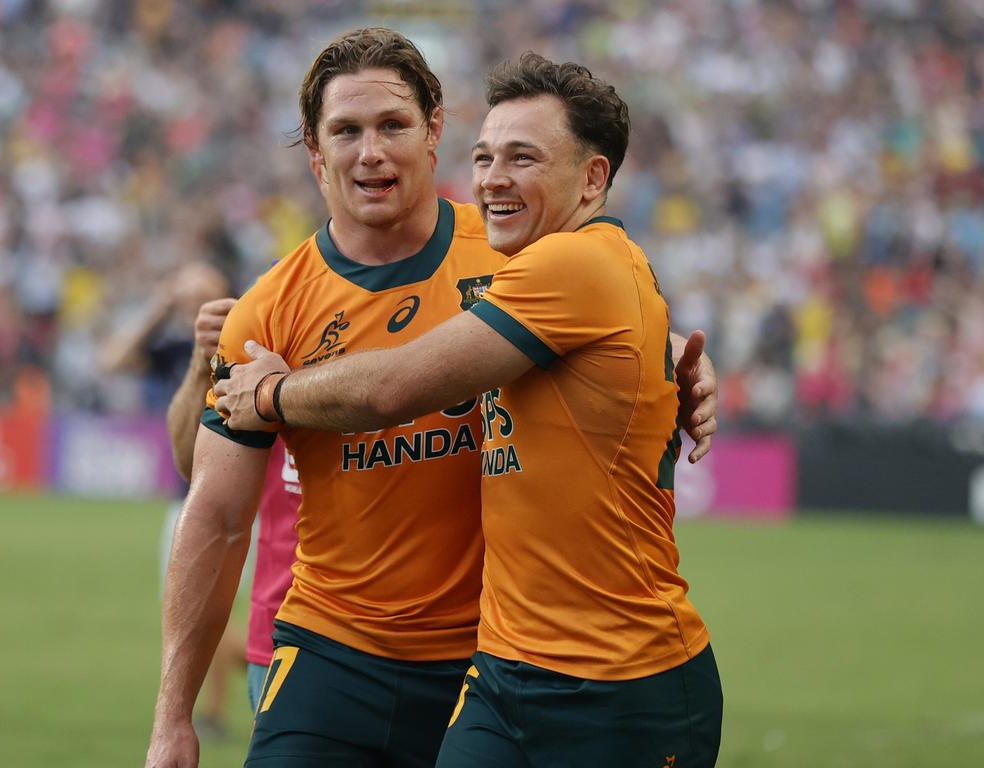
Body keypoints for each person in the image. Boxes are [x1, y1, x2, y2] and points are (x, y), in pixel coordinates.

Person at [145, 28, 717, 768]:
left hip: (487, 659)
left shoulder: (515, 248)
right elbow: (218, 516)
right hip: (333, 649)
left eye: (392, 125)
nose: (370, 151)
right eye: (345, 132)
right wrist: (172, 717)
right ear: (316, 155)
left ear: (434, 130)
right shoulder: (268, 311)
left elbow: (606, 326)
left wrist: (682, 364)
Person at [98, 260, 247, 741]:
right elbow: (113, 362)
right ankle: (256, 667)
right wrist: (158, 308)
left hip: (242, 493)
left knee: (213, 607)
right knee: (190, 609)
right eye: (185, 296)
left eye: (201, 294)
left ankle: (217, 711)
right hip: (183, 496)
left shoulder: (248, 334)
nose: (192, 304)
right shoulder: (173, 346)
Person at [165, 297, 300, 713]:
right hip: (283, 622)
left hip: (430, 629)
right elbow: (191, 464)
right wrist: (203, 360)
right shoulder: (272, 311)